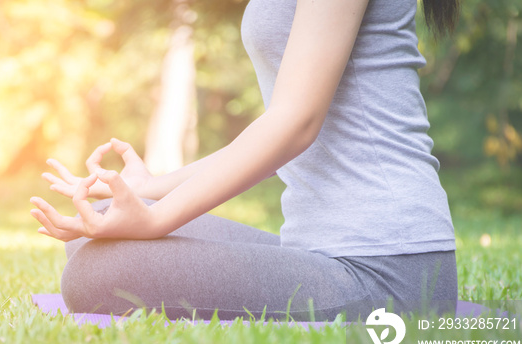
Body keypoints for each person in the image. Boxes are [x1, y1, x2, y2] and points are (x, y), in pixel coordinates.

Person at [30, 0, 460, 321]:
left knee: (94, 272)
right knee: (96, 231)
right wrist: (149, 190)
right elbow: (277, 136)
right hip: (318, 250)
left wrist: (155, 221)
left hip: (390, 269)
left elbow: (296, 124)